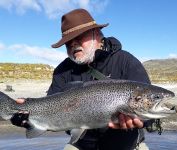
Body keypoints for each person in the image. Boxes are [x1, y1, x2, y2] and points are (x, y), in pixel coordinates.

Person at [11, 9, 151, 150]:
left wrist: (142, 121)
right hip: (81, 145)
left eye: (79, 36)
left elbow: (149, 109)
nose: (73, 43)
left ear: (96, 34)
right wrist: (28, 119)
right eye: (68, 42)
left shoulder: (125, 61)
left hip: (127, 145)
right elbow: (49, 112)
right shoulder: (62, 71)